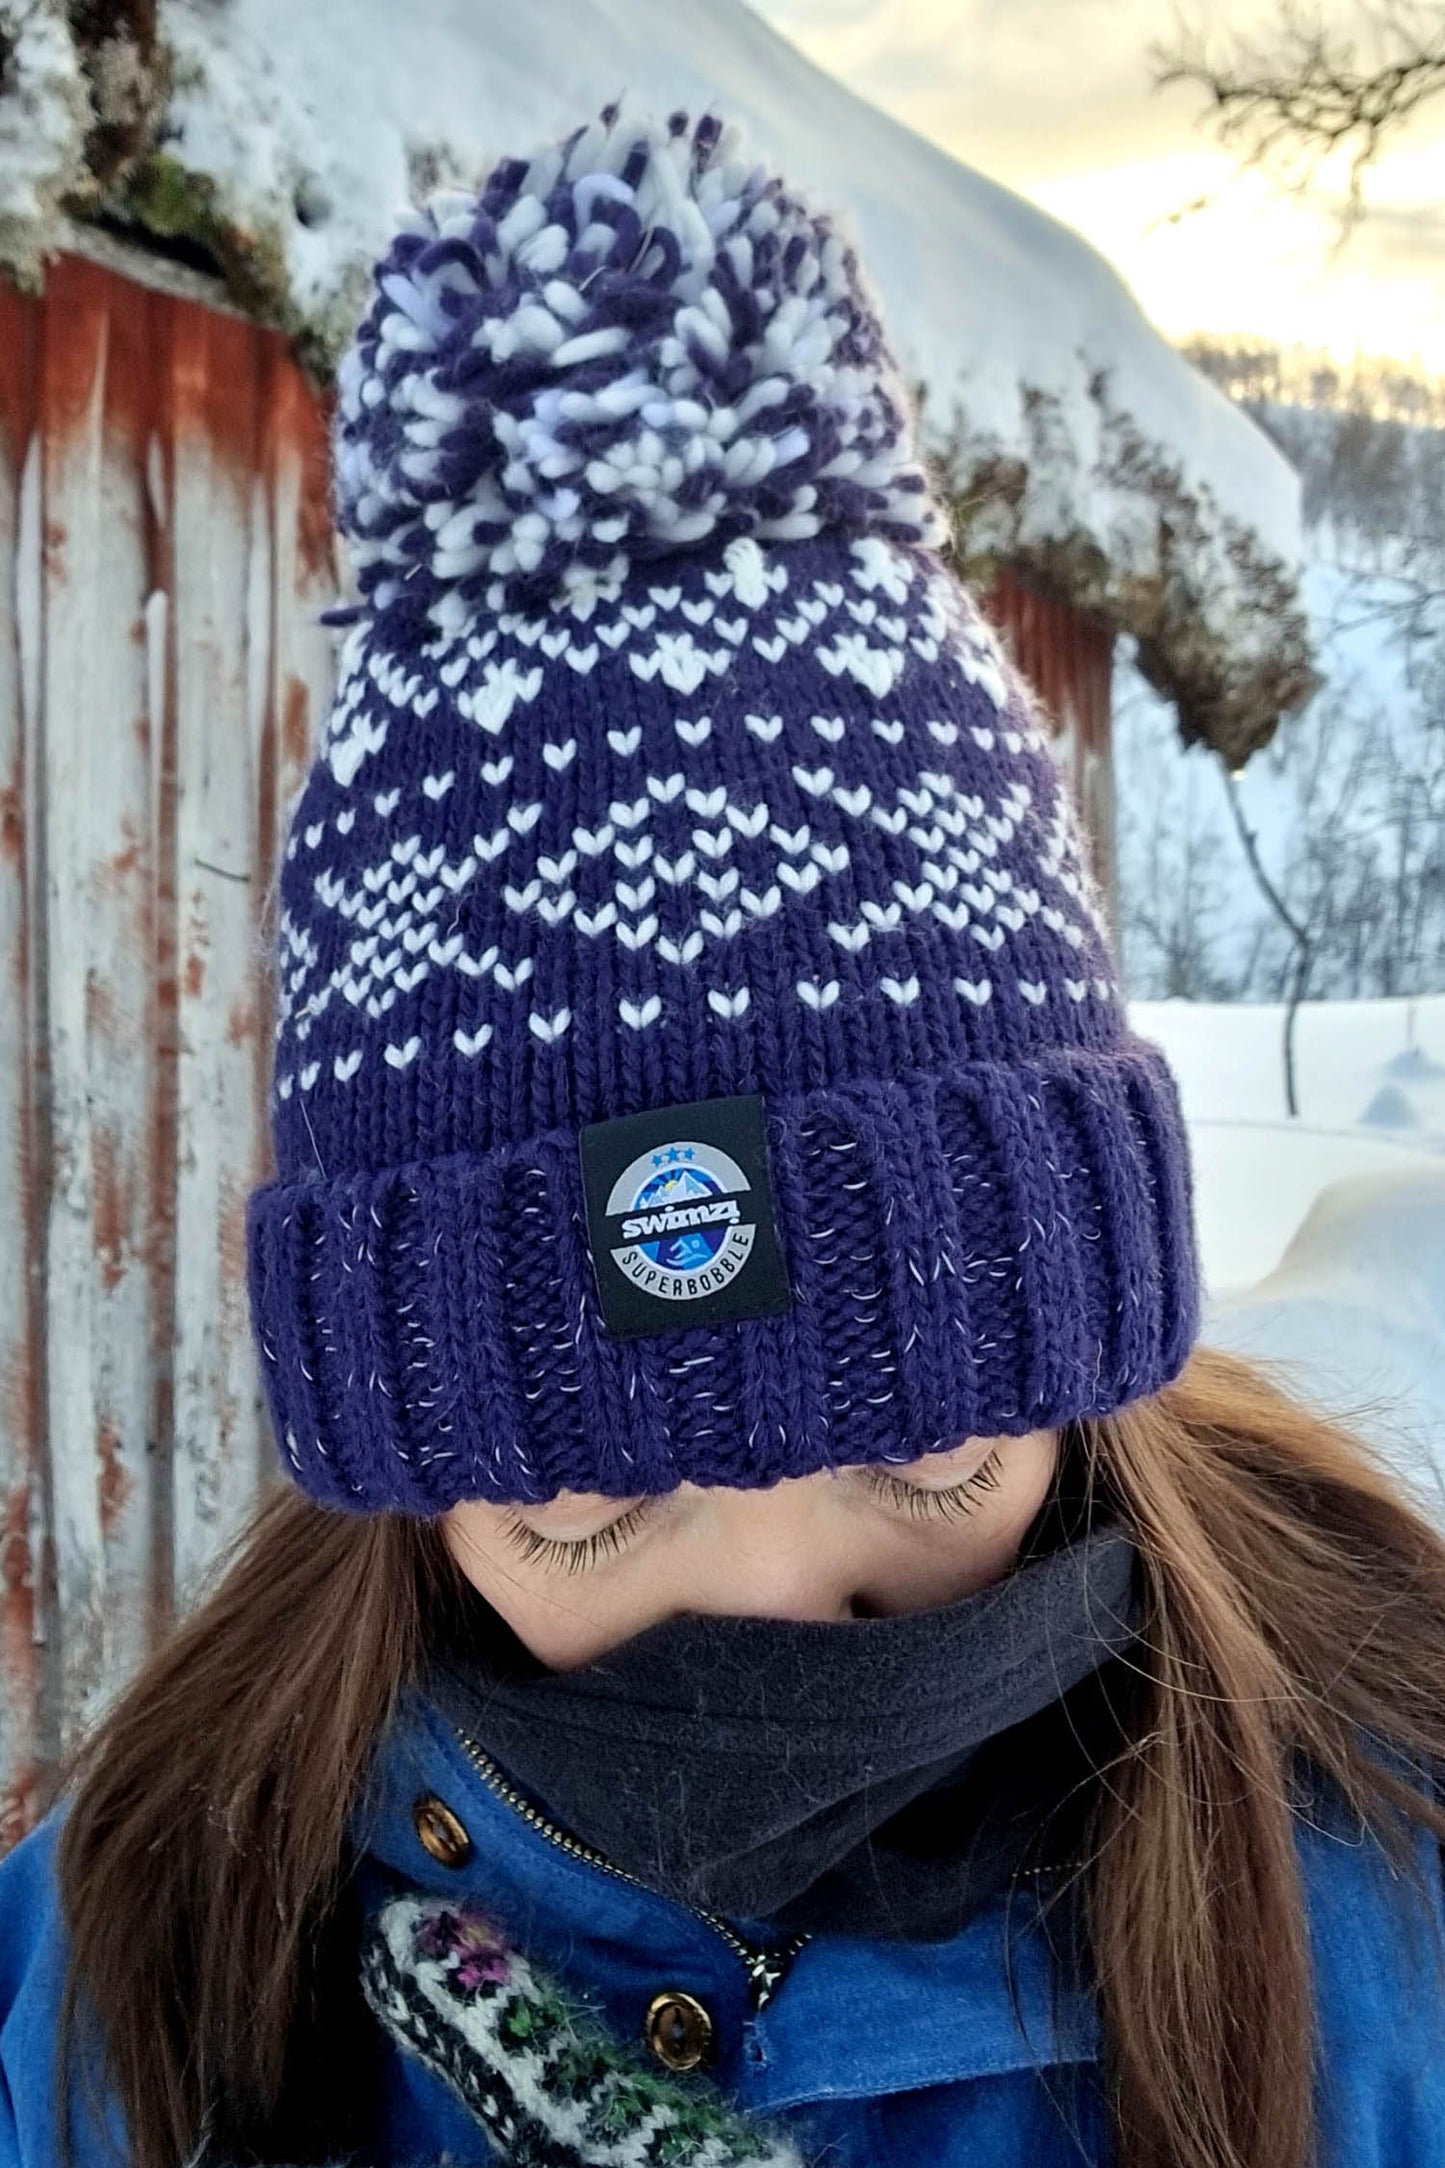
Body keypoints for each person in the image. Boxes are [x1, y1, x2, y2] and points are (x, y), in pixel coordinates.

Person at [3, 98, 1444, 2168]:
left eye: (932, 1447)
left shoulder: (1379, 1915)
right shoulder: (144, 1971)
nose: (776, 1614)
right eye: (583, 1493)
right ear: (404, 1475)